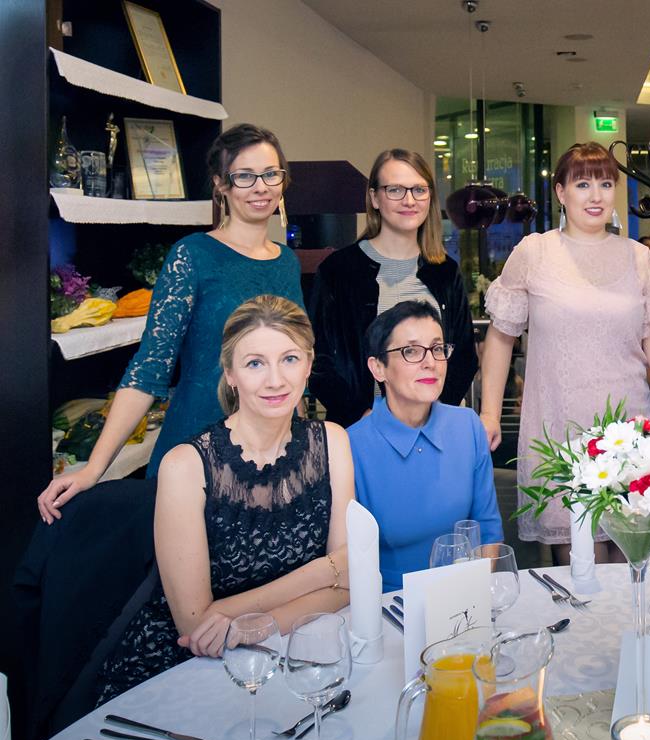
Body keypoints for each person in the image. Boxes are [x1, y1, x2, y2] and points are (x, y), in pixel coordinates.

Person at [37, 124, 304, 523]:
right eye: (244, 176)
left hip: (274, 447)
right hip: (199, 445)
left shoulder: (287, 262)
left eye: (271, 174)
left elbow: (294, 363)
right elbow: (149, 369)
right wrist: (95, 468)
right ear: (221, 185)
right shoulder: (191, 256)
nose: (261, 187)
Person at [96, 296, 354, 702]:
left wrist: (252, 621)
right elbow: (196, 625)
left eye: (289, 359)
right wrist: (325, 571)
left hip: (287, 651)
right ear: (230, 373)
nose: (275, 380)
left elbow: (348, 586)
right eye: (255, 364)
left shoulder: (332, 441)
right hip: (185, 665)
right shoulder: (185, 465)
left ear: (308, 365)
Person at [479, 142, 650, 564]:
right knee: (582, 576)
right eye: (583, 184)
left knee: (636, 573)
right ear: (561, 192)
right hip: (559, 435)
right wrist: (490, 414)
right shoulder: (534, 252)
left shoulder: (639, 258)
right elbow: (500, 339)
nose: (596, 195)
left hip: (630, 436)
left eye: (605, 184)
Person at [309, 149, 477, 427]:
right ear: (375, 198)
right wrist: (363, 418)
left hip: (434, 430)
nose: (409, 200)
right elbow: (319, 360)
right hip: (359, 431)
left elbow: (464, 357)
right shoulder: (338, 270)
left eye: (419, 190)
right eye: (395, 190)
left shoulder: (445, 272)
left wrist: (434, 417)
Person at [347, 301, 502, 590]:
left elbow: (488, 530)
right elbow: (348, 561)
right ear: (378, 368)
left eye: (437, 348)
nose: (430, 362)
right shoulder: (350, 447)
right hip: (388, 603)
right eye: (411, 351)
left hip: (463, 595)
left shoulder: (467, 426)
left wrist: (470, 596)